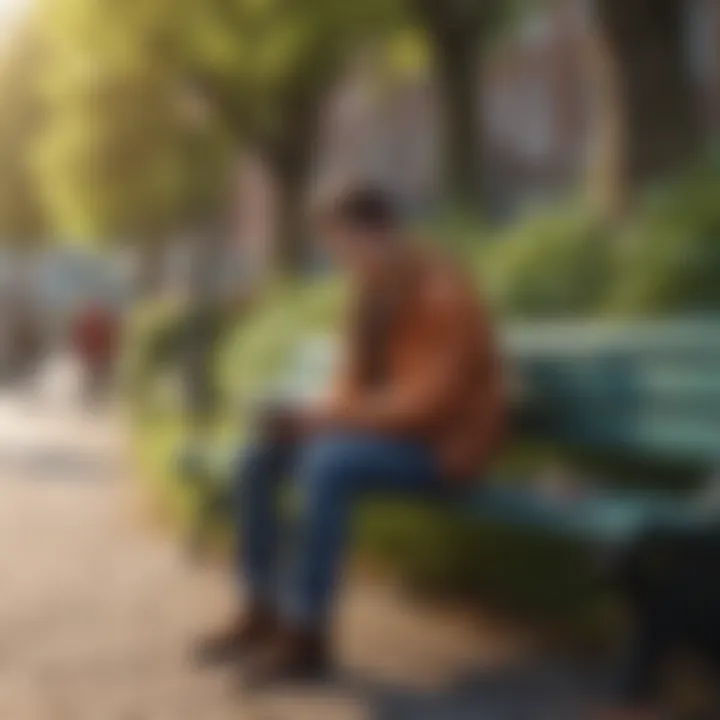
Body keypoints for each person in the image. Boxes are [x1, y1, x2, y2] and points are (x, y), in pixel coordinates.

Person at [196, 184, 506, 685]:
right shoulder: (369, 293)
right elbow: (346, 388)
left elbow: (428, 404)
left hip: (442, 450)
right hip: (382, 441)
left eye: (342, 247)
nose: (339, 260)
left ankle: (307, 633)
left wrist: (332, 422)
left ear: (377, 235)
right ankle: (262, 610)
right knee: (259, 455)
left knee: (328, 464)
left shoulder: (444, 291)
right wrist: (302, 418)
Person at [71, 299, 121, 406]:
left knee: (96, 376)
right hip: (97, 354)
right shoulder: (98, 322)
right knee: (96, 376)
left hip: (97, 354)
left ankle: (95, 398)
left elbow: (110, 338)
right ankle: (95, 398)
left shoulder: (90, 322)